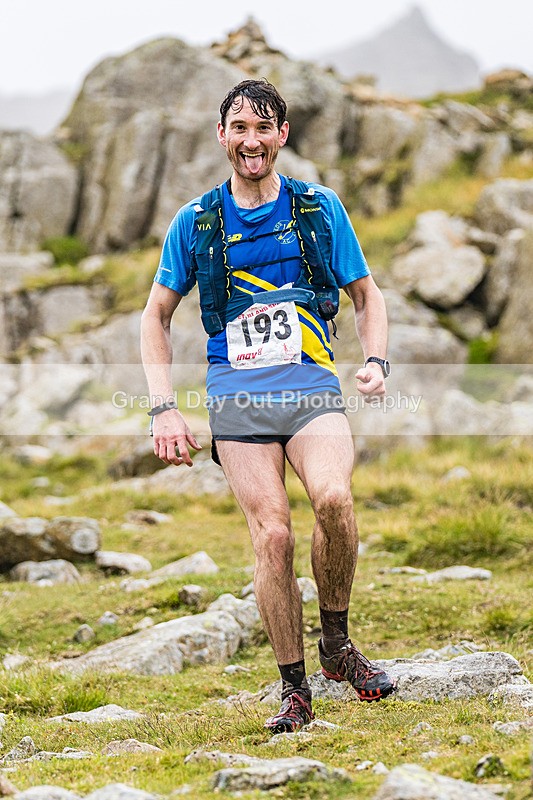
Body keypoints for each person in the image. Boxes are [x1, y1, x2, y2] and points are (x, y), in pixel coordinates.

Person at [140, 78, 396, 733]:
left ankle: (336, 645)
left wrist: (374, 361)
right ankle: (294, 687)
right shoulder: (195, 222)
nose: (251, 141)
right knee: (274, 534)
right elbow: (155, 317)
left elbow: (367, 296)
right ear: (221, 136)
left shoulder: (317, 208)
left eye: (264, 128)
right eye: (239, 129)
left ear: (282, 135)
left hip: (310, 393)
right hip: (237, 405)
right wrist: (163, 409)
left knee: (333, 502)